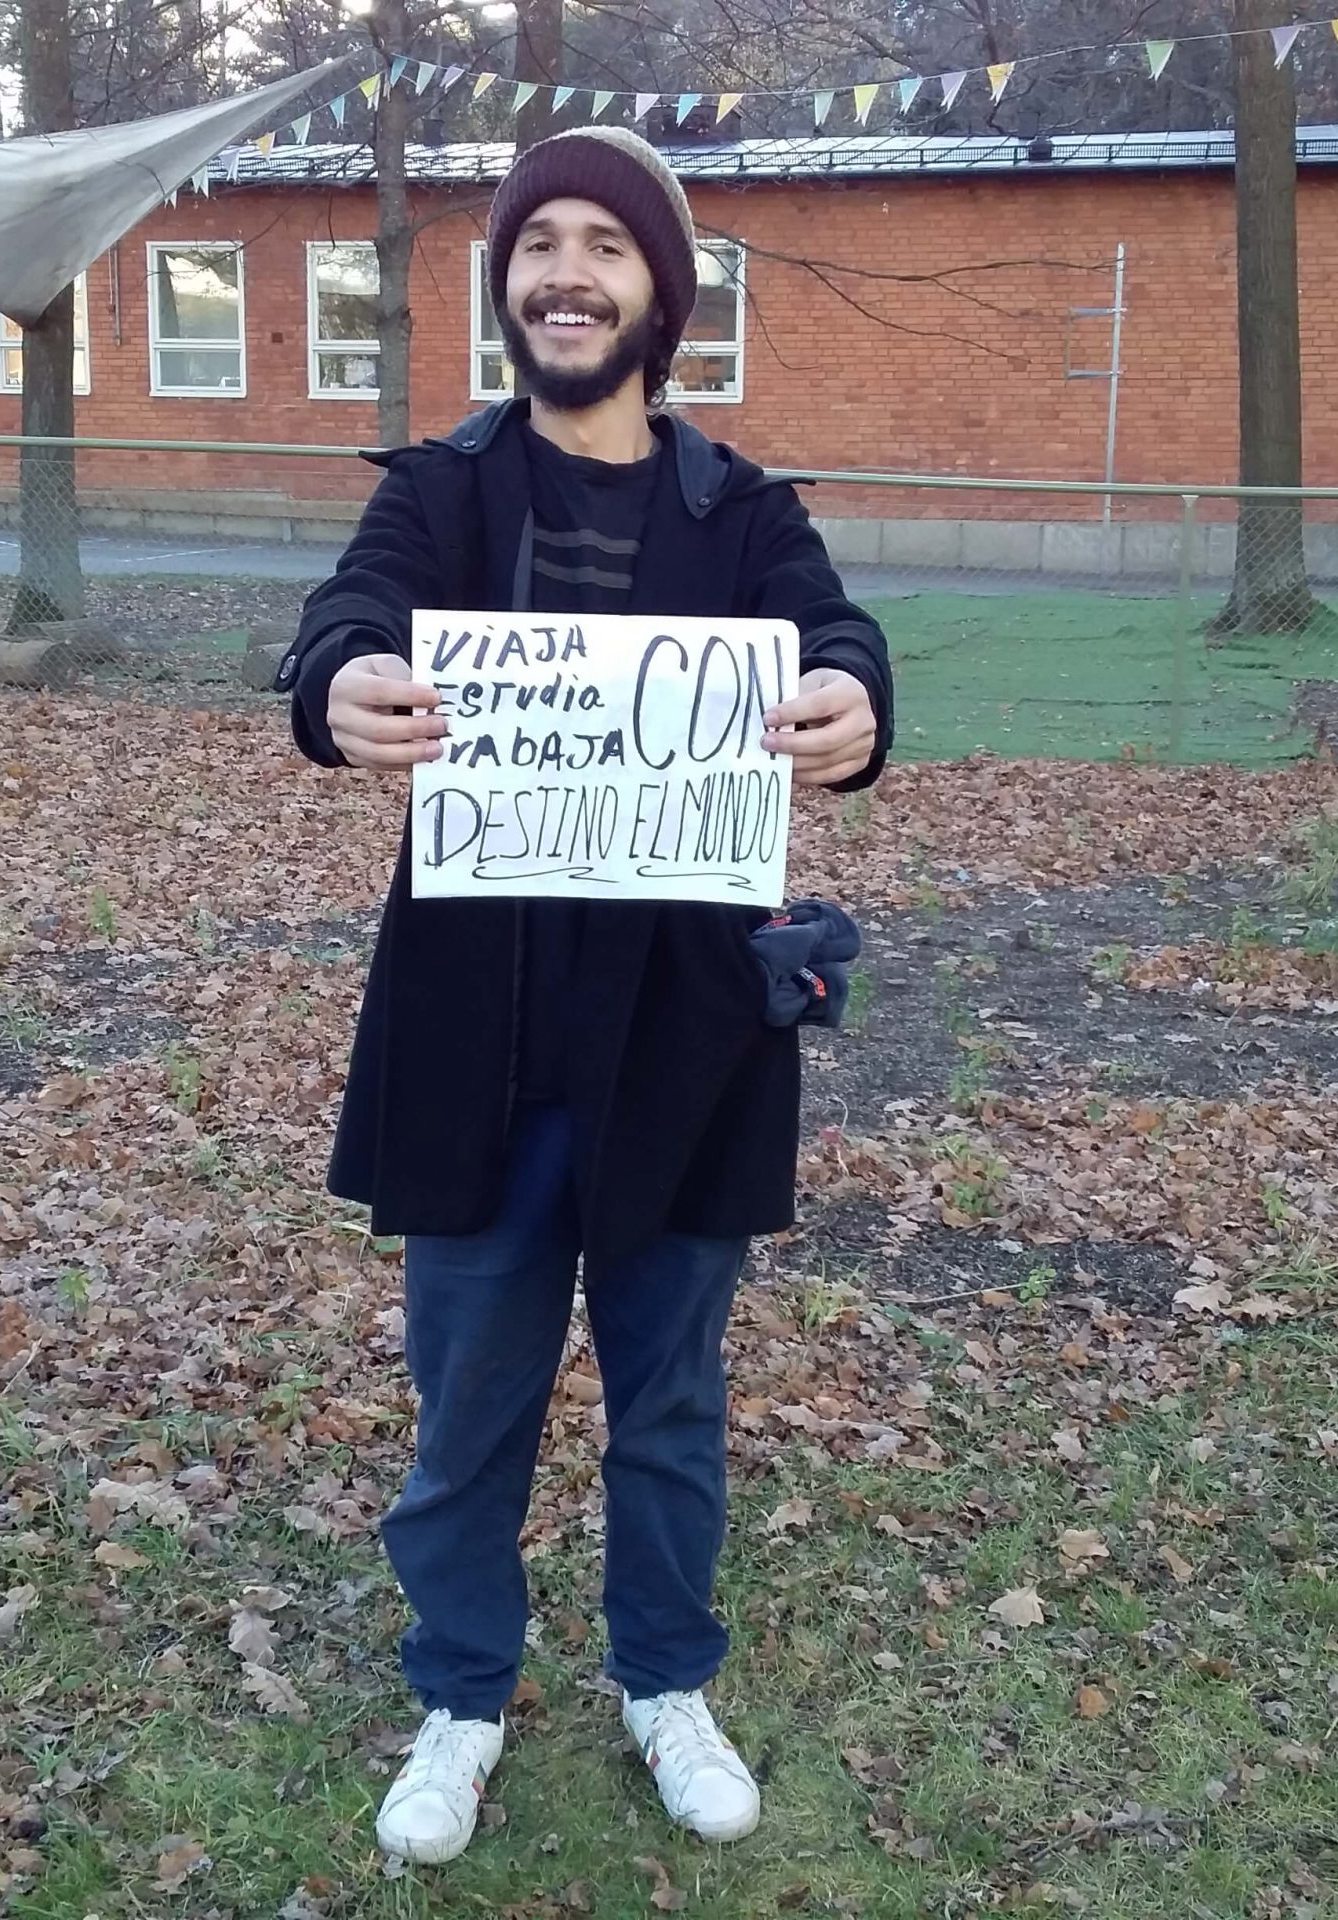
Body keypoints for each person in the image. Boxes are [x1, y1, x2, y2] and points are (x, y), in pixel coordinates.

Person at [274, 124, 894, 1867]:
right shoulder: (442, 491)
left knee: (670, 1405)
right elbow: (346, 618)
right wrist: (340, 683)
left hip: (687, 1045)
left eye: (605, 247)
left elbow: (837, 639)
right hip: (479, 1043)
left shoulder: (741, 509)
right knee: (469, 1402)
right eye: (538, 242)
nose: (567, 272)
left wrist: (854, 707)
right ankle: (462, 1696)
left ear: (659, 296)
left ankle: (666, 1681)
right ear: (507, 288)